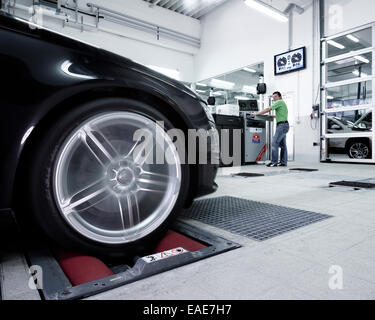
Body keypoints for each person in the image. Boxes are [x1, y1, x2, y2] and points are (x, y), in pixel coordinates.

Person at [251, 91, 289, 167]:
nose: (274, 98)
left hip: (281, 126)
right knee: (283, 145)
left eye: (275, 96)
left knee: (274, 143)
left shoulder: (279, 102)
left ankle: (274, 162)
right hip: (285, 125)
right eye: (273, 96)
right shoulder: (282, 103)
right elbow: (281, 115)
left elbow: (268, 109)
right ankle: (283, 162)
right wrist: (272, 116)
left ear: (280, 97)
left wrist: (257, 113)